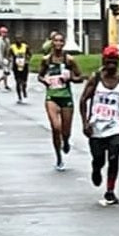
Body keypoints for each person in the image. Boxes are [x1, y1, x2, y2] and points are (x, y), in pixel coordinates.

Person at [79, 44, 119, 205]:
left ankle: (110, 191)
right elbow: (83, 100)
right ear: (103, 61)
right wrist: (85, 123)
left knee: (114, 158)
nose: (111, 65)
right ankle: (96, 168)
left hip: (115, 126)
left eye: (114, 62)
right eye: (109, 62)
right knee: (99, 159)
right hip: (96, 126)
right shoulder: (96, 78)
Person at [37, 32, 83, 171]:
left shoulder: (69, 60)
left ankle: (66, 141)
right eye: (55, 41)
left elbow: (80, 77)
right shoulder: (46, 59)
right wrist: (44, 80)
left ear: (64, 43)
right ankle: (59, 158)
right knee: (55, 128)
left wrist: (69, 79)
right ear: (52, 43)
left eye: (61, 41)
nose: (58, 44)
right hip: (52, 96)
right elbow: (40, 75)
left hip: (66, 97)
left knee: (65, 131)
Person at [9, 34, 31, 104]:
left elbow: (30, 54)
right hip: (16, 66)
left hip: (24, 66)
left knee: (24, 82)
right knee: (18, 82)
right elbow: (9, 55)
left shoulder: (25, 46)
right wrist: (10, 60)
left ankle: (24, 90)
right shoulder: (12, 47)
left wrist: (27, 59)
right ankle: (19, 97)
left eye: (20, 39)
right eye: (17, 39)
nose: (18, 41)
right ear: (15, 40)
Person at [0, 26, 12, 92]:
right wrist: (1, 61)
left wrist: (9, 58)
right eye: (3, 32)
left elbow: (9, 49)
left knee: (6, 72)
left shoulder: (7, 40)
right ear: (0, 33)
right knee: (6, 72)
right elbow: (0, 52)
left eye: (6, 32)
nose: (5, 34)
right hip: (3, 59)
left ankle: (5, 84)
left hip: (7, 57)